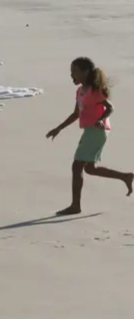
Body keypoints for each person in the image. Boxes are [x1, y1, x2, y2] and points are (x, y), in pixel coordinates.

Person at [45, 57, 133, 215]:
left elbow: (110, 108)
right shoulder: (80, 91)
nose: (72, 75)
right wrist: (58, 128)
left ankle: (75, 206)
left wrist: (100, 119)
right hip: (91, 131)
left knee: (76, 166)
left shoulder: (94, 90)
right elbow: (75, 114)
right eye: (71, 72)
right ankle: (125, 176)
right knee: (90, 169)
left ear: (85, 72)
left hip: (97, 131)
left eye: (75, 72)